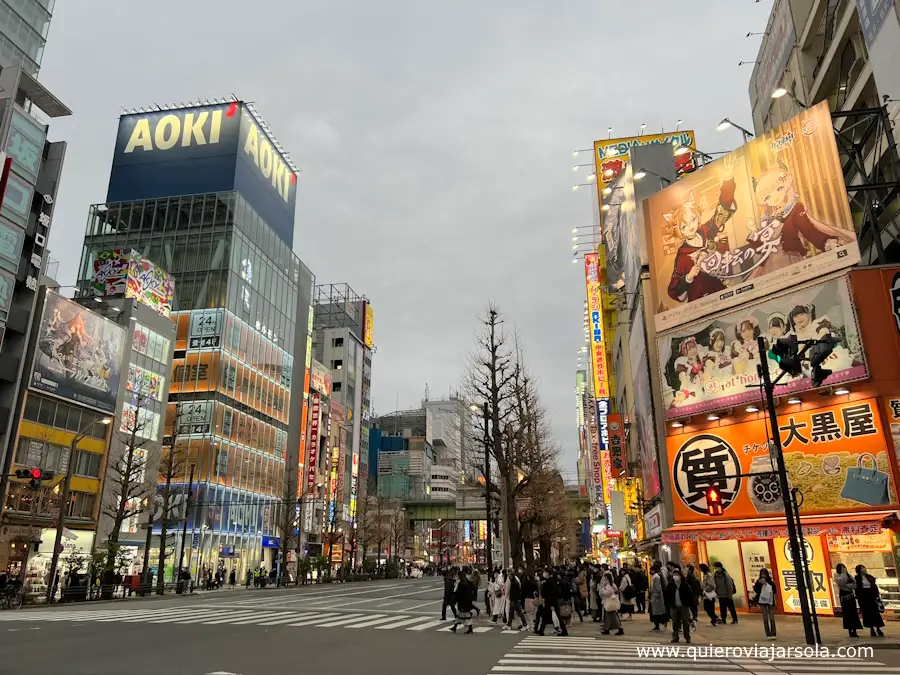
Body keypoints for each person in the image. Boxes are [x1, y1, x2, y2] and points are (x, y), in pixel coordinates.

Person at [664, 567, 695, 644]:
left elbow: (690, 596)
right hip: (674, 606)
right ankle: (675, 637)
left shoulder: (685, 586)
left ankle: (687, 637)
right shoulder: (670, 586)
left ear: (680, 576)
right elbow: (667, 596)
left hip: (683, 606)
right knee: (675, 622)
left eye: (677, 575)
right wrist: (669, 604)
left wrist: (689, 605)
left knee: (685, 622)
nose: (675, 576)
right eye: (674, 575)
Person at [855, 564, 885, 637]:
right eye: (862, 568)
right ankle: (871, 628)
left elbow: (874, 586)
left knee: (875, 612)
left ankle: (878, 628)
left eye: (864, 567)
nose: (863, 569)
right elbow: (857, 589)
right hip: (863, 598)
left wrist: (877, 595)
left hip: (872, 596)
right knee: (867, 613)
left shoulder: (869, 577)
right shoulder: (857, 578)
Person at [535, 570, 567, 636]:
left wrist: (546, 600)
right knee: (546, 616)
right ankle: (541, 630)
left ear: (548, 574)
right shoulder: (551, 581)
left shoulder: (549, 582)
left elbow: (547, 593)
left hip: (550, 601)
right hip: (552, 600)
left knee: (547, 616)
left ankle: (542, 630)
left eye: (545, 573)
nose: (544, 574)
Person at [834, 563, 862, 638]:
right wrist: (843, 574)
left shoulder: (849, 575)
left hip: (851, 595)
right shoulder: (837, 575)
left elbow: (854, 584)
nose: (843, 568)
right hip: (844, 595)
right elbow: (841, 583)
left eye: (844, 567)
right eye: (841, 567)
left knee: (853, 612)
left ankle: (855, 630)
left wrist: (848, 586)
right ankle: (850, 630)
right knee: (847, 613)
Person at [752, 568, 777, 640]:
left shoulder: (771, 582)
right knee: (765, 618)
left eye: (764, 574)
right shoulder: (758, 582)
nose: (763, 575)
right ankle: (768, 634)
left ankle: (773, 633)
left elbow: (775, 591)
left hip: (770, 601)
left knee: (772, 618)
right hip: (762, 601)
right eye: (762, 574)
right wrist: (760, 584)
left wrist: (767, 584)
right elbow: (756, 590)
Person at [450, 569, 475, 634]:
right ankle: (455, 627)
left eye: (457, 576)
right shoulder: (466, 582)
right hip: (466, 602)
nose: (456, 577)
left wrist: (455, 600)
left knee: (463, 615)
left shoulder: (461, 584)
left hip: (463, 602)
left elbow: (457, 593)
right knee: (462, 615)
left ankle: (469, 628)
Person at [600, 569, 624, 635]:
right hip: (611, 602)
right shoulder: (612, 584)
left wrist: (602, 590)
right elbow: (615, 590)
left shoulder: (608, 585)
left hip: (609, 603)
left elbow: (608, 593)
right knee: (610, 617)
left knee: (612, 617)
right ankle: (607, 629)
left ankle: (618, 629)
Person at [649, 562, 668, 631]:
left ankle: (659, 625)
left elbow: (658, 588)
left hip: (656, 598)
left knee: (657, 613)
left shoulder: (656, 577)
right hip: (655, 597)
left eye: (652, 570)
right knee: (656, 612)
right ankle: (657, 625)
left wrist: (655, 597)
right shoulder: (655, 577)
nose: (651, 571)